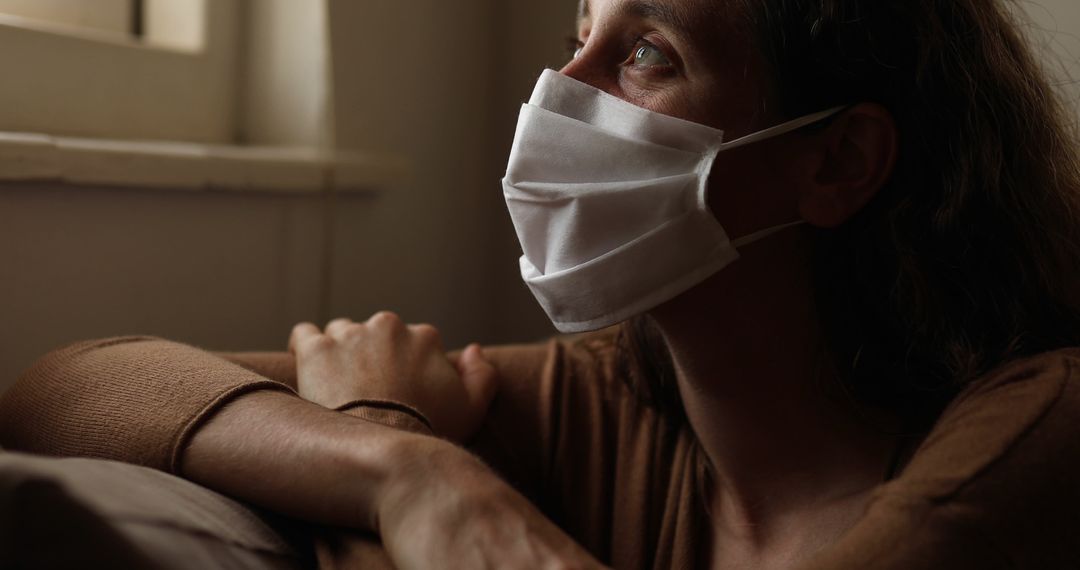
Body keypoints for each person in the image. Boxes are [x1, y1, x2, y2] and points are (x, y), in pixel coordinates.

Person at [4, 0, 1080, 568]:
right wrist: (409, 470)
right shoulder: (606, 399)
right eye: (580, 35)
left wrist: (385, 433)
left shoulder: (1042, 426)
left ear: (837, 162)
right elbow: (67, 391)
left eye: (648, 52)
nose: (560, 93)